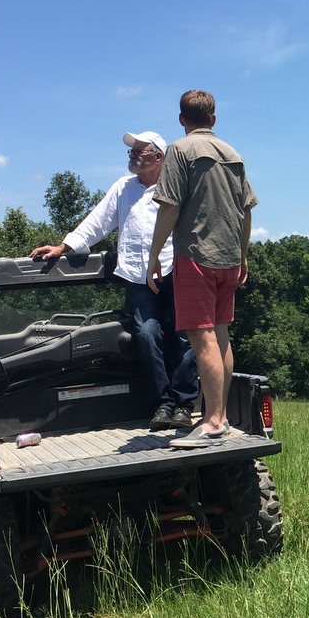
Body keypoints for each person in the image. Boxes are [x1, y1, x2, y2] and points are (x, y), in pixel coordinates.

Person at [31, 131, 199, 432]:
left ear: (158, 156)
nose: (132, 155)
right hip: (138, 276)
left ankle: (185, 404)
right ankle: (164, 403)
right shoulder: (123, 188)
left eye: (138, 150)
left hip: (178, 271)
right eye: (131, 151)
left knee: (185, 338)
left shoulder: (178, 185)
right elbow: (97, 222)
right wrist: (62, 247)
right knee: (148, 335)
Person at [146, 90, 258, 449]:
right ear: (213, 118)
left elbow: (170, 206)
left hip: (196, 256)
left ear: (182, 119)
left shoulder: (180, 150)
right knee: (221, 336)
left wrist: (154, 255)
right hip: (228, 259)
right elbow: (247, 211)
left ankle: (212, 422)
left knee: (202, 337)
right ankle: (219, 416)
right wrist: (242, 257)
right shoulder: (234, 155)